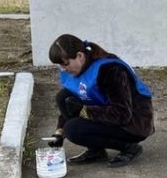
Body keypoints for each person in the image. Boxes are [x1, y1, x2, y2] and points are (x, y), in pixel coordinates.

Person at [46, 34, 154, 167]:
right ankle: (96, 151)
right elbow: (70, 104)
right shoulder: (79, 69)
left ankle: (129, 147)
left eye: (66, 63)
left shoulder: (110, 70)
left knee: (73, 129)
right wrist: (59, 133)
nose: (64, 69)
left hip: (134, 123)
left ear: (80, 56)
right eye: (60, 65)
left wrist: (84, 111)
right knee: (63, 97)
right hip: (107, 114)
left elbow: (122, 114)